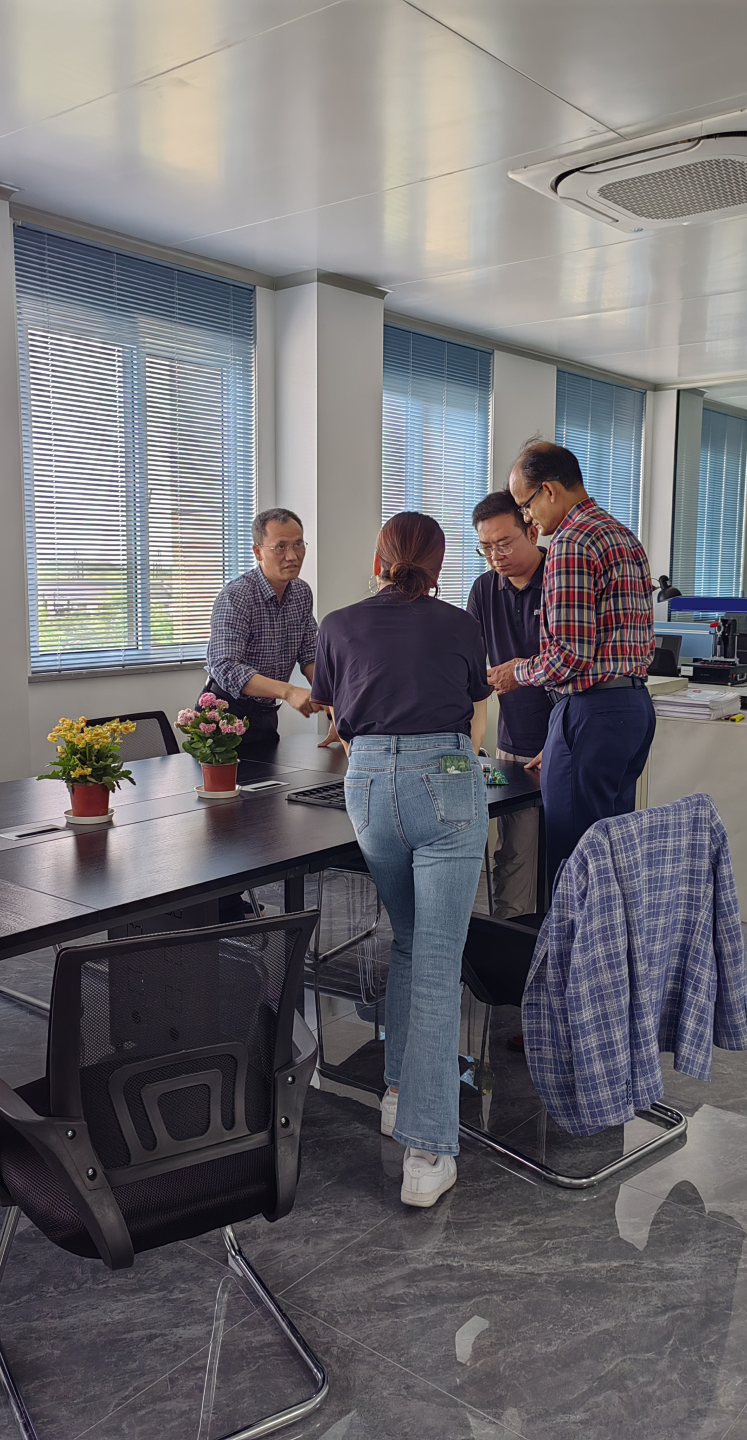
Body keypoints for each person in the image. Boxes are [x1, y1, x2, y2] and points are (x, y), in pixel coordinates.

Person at [311, 512, 491, 1209]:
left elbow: (337, 718)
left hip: (366, 786)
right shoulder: (461, 624)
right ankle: (427, 1152)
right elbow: (474, 711)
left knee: (409, 942)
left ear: (377, 560)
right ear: (438, 566)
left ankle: (396, 1093)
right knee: (438, 960)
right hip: (444, 777)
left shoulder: (338, 624)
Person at [489, 440, 655, 885]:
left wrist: (517, 671)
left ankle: (572, 935)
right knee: (612, 853)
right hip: (634, 709)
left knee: (574, 857)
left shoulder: (570, 543)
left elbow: (568, 656)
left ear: (549, 490)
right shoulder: (623, 535)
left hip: (590, 711)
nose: (528, 518)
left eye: (526, 505)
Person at [466, 490, 553, 918]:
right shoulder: (484, 589)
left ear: (531, 531)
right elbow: (469, 671)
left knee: (568, 855)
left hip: (567, 739)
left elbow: (575, 666)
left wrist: (560, 742)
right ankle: (514, 945)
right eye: (485, 547)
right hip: (513, 745)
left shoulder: (562, 579)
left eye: (503, 544)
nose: (494, 556)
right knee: (515, 853)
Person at [205, 508, 318, 763]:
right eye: (280, 547)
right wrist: (289, 691)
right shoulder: (237, 596)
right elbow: (225, 666)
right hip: (224, 714)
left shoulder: (301, 593)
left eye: (298, 544)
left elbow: (311, 656)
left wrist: (335, 709)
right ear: (258, 552)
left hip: (265, 715)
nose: (292, 556)